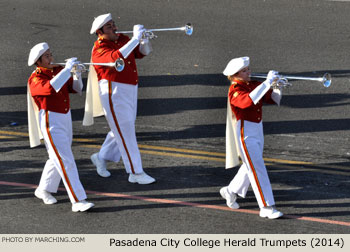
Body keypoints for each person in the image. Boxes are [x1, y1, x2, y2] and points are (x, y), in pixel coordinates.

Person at [83, 13, 155, 184]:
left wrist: (143, 40)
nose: (114, 28)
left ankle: (101, 157)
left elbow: (143, 52)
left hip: (131, 88)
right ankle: (135, 173)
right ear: (100, 32)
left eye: (113, 24)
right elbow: (116, 58)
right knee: (126, 132)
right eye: (109, 27)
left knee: (124, 127)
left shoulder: (122, 38)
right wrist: (135, 39)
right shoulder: (99, 49)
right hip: (113, 92)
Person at [27, 42, 94, 212]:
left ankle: (43, 189)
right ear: (38, 61)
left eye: (50, 54)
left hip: (65, 117)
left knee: (56, 156)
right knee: (65, 160)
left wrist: (77, 74)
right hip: (51, 121)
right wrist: (66, 70)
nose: (51, 58)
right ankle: (78, 200)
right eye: (47, 56)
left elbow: (76, 89)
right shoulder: (35, 79)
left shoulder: (57, 71)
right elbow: (51, 88)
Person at [220, 56, 283, 219]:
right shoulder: (234, 90)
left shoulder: (253, 85)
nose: (249, 72)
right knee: (257, 168)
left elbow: (273, 100)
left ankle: (230, 191)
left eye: (248, 69)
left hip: (258, 129)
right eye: (244, 70)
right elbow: (248, 101)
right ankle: (267, 206)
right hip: (245, 133)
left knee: (251, 165)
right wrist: (267, 82)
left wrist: (277, 86)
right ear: (235, 74)